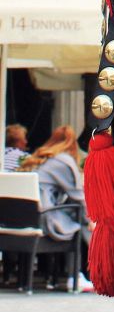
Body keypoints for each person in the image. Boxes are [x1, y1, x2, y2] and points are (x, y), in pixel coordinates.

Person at [18, 125, 93, 291]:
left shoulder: (38, 158)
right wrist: (92, 220)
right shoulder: (64, 161)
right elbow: (78, 195)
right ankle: (77, 275)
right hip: (44, 218)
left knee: (77, 216)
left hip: (24, 218)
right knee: (80, 219)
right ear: (72, 144)